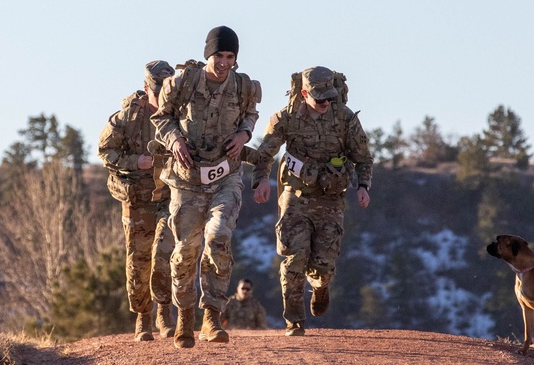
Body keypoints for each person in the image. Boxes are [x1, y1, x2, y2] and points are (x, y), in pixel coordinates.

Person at [151, 26, 262, 348]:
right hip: (187, 179)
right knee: (185, 251)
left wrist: (244, 135)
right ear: (207, 55)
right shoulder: (181, 83)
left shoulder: (244, 87)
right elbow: (162, 118)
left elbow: (250, 116)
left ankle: (212, 315)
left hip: (225, 176)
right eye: (219, 55)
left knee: (219, 237)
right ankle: (184, 316)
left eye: (230, 56)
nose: (224, 62)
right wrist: (174, 142)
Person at [252, 66, 373, 336]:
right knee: (295, 258)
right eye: (320, 99)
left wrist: (362, 186)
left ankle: (320, 286)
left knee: (324, 263)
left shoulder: (345, 118)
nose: (325, 104)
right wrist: (260, 180)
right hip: (295, 198)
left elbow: (363, 157)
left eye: (330, 98)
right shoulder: (287, 118)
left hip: (331, 199)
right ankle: (294, 320)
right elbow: (265, 152)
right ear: (305, 93)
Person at [98, 60, 178, 342]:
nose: (163, 95)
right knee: (139, 259)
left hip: (170, 196)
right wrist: (135, 161)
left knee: (164, 254)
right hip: (138, 198)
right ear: (147, 88)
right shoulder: (127, 117)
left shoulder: (180, 113)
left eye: (168, 88)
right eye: (158, 90)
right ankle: (143, 317)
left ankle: (165, 314)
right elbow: (105, 151)